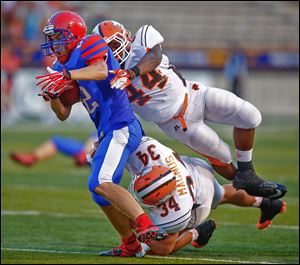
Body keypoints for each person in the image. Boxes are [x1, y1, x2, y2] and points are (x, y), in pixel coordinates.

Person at [92, 20, 287, 200]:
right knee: (223, 156)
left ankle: (248, 172)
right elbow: (108, 111)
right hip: (178, 124)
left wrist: (131, 72)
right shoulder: (105, 77)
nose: (112, 53)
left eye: (114, 46)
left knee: (250, 115)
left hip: (194, 94)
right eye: (106, 50)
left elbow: (154, 56)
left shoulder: (142, 39)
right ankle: (250, 188)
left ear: (126, 38)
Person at [35, 11, 168, 250]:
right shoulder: (60, 65)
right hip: (107, 130)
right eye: (51, 38)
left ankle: (146, 225)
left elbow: (99, 70)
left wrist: (66, 75)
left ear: (74, 35)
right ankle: (129, 244)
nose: (54, 43)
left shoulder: (90, 43)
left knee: (100, 181)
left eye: (58, 37)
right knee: (99, 192)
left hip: (122, 124)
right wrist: (53, 95)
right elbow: (63, 114)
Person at [96, 136, 286, 256]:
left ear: (163, 200)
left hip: (197, 201)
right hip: (197, 171)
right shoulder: (151, 154)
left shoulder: (175, 210)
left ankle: (198, 231)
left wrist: (136, 226)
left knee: (162, 248)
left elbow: (155, 239)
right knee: (222, 194)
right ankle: (266, 203)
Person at [10, 131, 97, 167]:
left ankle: (86, 155)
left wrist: (87, 154)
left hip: (102, 154)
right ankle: (31, 158)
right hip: (92, 150)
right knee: (56, 141)